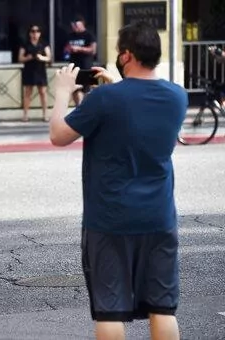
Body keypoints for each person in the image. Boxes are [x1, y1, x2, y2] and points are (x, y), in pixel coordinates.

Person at [49, 21, 186, 340]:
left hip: (110, 220)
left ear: (126, 55)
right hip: (159, 218)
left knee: (111, 310)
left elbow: (58, 135)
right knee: (162, 308)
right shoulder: (177, 97)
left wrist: (61, 93)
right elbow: (137, 112)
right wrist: (113, 87)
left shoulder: (104, 100)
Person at [18, 24, 51, 122]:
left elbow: (49, 57)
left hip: (40, 70)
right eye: (32, 31)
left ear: (40, 33)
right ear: (29, 33)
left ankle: (45, 115)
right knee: (27, 93)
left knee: (43, 93)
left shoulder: (44, 44)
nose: (35, 34)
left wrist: (41, 58)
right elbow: (20, 58)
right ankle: (25, 115)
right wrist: (28, 57)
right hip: (29, 70)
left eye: (37, 31)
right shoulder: (25, 44)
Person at [64, 15, 97, 106]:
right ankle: (78, 107)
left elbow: (93, 50)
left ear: (82, 24)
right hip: (74, 66)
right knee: (75, 89)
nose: (75, 28)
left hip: (86, 65)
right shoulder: (70, 35)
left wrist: (79, 49)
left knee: (86, 89)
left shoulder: (89, 35)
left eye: (76, 26)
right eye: (73, 26)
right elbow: (66, 49)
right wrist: (68, 49)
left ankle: (86, 108)